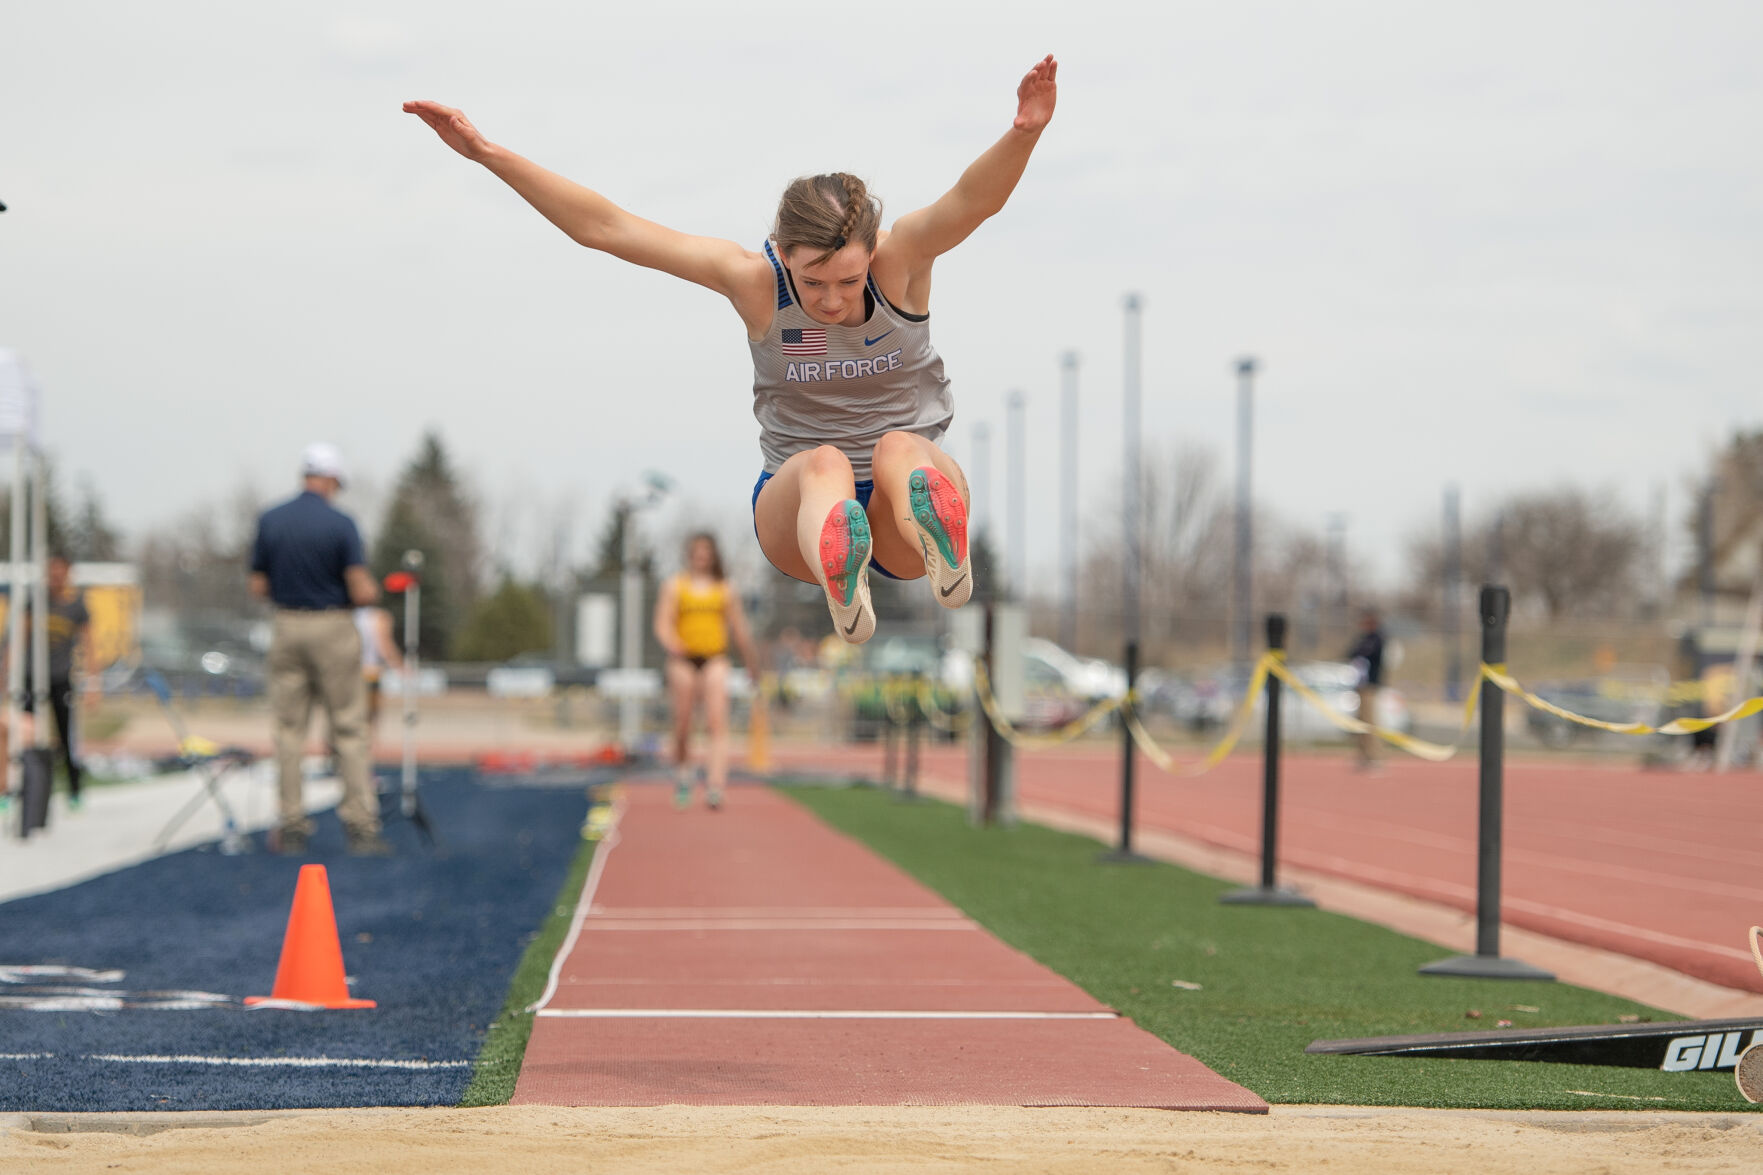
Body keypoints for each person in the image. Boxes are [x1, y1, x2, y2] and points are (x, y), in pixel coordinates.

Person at [404, 55, 1059, 644]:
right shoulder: (752, 280)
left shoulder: (902, 256)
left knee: (899, 451)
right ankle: (842, 566)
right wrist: (487, 152)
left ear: (871, 253)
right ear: (781, 252)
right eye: (812, 283)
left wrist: (1023, 131)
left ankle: (928, 529)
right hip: (798, 509)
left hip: (893, 507)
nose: (831, 301)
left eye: (848, 282)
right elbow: (607, 227)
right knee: (823, 463)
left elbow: (973, 201)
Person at [249, 443, 391, 856]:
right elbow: (360, 588)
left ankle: (291, 826)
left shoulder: (271, 519)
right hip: (332, 627)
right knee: (349, 728)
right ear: (330, 479)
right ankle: (361, 827)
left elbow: (257, 586)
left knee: (289, 732)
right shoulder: (341, 524)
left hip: (287, 625)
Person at [653, 533, 760, 810]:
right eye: (697, 551)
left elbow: (740, 629)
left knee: (716, 721)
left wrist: (751, 663)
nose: (701, 557)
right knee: (684, 722)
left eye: (706, 551)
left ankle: (715, 785)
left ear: (712, 555)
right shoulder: (675, 586)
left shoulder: (724, 588)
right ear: (690, 554)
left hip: (715, 659)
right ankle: (684, 773)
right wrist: (671, 642)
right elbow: (662, 622)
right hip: (683, 658)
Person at [0, 554, 94, 812]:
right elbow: (17, 637)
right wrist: (6, 672)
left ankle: (75, 790)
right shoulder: (36, 601)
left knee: (66, 736)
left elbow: (89, 644)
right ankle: (10, 789)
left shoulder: (76, 606)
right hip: (32, 676)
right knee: (21, 732)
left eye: (60, 572)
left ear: (67, 573)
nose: (55, 577)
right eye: (51, 572)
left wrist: (94, 682)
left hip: (61, 678)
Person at [355, 604, 404, 748]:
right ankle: (367, 751)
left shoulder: (344, 614)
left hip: (349, 672)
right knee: (370, 717)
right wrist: (399, 665)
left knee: (347, 715)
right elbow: (384, 645)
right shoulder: (379, 616)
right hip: (370, 672)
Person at [1346, 608, 1386, 770]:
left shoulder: (1377, 638)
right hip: (1360, 684)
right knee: (1360, 722)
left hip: (1370, 685)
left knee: (1370, 722)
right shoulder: (1364, 638)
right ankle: (1363, 756)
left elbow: (1367, 653)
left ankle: (1375, 756)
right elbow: (1351, 652)